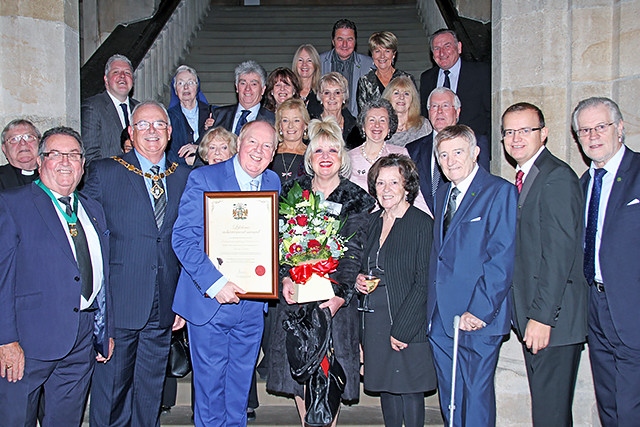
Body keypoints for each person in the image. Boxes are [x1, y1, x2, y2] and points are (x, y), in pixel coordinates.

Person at [84, 100, 190, 427]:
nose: (152, 131)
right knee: (113, 390)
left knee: (149, 389)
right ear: (130, 131)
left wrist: (182, 302)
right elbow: (90, 241)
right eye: (143, 125)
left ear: (170, 132)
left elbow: (191, 243)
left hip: (164, 302)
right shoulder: (105, 172)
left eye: (159, 124)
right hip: (121, 299)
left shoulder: (185, 176)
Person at [0, 126, 113, 426]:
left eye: (74, 155)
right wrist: (5, 340)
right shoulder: (13, 205)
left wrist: (105, 330)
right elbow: (2, 277)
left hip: (81, 337)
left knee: (65, 419)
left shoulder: (93, 209)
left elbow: (102, 274)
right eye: (56, 154)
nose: (66, 162)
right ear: (39, 161)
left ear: (83, 164)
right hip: (28, 340)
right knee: (15, 419)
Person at [267, 117, 376, 424]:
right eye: (318, 151)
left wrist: (340, 295)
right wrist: (284, 277)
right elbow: (278, 242)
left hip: (334, 305)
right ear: (310, 158)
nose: (326, 156)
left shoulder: (356, 199)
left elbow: (354, 252)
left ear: (342, 158)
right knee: (300, 374)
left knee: (329, 377)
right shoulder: (291, 192)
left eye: (333, 150)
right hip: (296, 301)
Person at [171, 120, 280, 426]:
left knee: (239, 389)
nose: (259, 152)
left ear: (273, 153)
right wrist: (215, 282)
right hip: (210, 301)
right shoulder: (205, 178)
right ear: (238, 144)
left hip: (253, 303)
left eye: (267, 146)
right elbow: (182, 238)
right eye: (253, 143)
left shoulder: (272, 181)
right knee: (209, 390)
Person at [502, 102, 588, 426]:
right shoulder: (527, 177)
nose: (516, 138)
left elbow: (559, 255)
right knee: (548, 413)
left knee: (550, 416)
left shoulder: (557, 178)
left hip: (552, 322)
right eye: (509, 131)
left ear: (544, 134)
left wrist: (541, 317)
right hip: (539, 319)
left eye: (525, 130)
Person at [428, 124, 516, 427]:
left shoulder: (499, 191)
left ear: (475, 152)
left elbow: (501, 257)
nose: (450, 161)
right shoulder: (442, 194)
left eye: (457, 152)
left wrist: (478, 311)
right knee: (451, 397)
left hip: (477, 317)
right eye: (443, 155)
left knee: (475, 398)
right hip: (441, 318)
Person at [572, 96, 640, 427]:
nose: (593, 135)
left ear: (620, 128)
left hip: (633, 310)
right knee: (609, 405)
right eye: (585, 130)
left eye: (601, 126)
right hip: (595, 310)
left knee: (630, 409)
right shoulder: (583, 185)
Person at [355, 154, 436, 427]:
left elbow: (423, 282)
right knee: (387, 390)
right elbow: (362, 264)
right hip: (375, 321)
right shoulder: (372, 222)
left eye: (394, 182)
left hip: (406, 322)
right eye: (380, 183)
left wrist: (402, 329)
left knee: (409, 391)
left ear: (407, 186)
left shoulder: (422, 224)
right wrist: (357, 279)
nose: (386, 189)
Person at [407, 87, 489, 213]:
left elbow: (482, 186)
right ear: (428, 112)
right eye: (434, 106)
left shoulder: (476, 142)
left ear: (457, 111)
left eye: (445, 106)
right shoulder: (413, 149)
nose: (439, 111)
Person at [348, 98, 429, 214]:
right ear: (362, 126)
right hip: (357, 224)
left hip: (392, 222)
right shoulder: (348, 158)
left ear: (390, 127)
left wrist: (429, 221)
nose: (377, 125)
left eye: (382, 120)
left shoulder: (401, 154)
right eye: (372, 120)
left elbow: (415, 193)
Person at [419, 29, 491, 146]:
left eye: (447, 46)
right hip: (438, 146)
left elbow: (491, 113)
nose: (442, 53)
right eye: (437, 49)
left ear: (459, 47)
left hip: (473, 146)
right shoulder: (427, 78)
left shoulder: (481, 72)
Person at [81, 54, 139, 163]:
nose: (122, 76)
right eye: (116, 72)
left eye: (127, 72)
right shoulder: (92, 107)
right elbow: (90, 156)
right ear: (106, 80)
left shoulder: (139, 109)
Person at [320, 19, 374, 116]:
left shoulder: (369, 64)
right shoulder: (319, 62)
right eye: (340, 39)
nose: (345, 45)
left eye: (349, 39)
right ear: (333, 41)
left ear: (355, 41)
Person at [356, 31, 415, 113]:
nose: (382, 56)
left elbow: (413, 109)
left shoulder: (407, 79)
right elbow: (363, 114)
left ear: (393, 54)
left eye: (387, 51)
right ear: (372, 55)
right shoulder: (365, 81)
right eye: (377, 51)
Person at [167, 65, 214, 167]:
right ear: (175, 90)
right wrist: (186, 161)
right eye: (180, 83)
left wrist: (199, 149)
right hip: (179, 173)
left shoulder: (213, 113)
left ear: (197, 87)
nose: (186, 87)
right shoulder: (167, 117)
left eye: (190, 82)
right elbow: (164, 153)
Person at [211, 60, 275, 134]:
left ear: (263, 90)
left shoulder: (273, 120)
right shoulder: (218, 115)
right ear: (237, 87)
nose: (247, 89)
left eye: (253, 84)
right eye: (243, 83)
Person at [313, 72, 361, 149]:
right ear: (320, 97)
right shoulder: (312, 126)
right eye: (327, 93)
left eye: (337, 92)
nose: (332, 97)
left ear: (344, 97)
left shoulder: (356, 127)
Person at [382, 76, 432, 148]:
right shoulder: (381, 126)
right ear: (388, 98)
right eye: (396, 93)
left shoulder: (423, 125)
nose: (401, 97)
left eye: (406, 93)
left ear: (413, 99)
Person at [270, 98, 309, 182]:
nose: (290, 126)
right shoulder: (270, 151)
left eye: (296, 120)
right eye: (285, 120)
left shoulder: (312, 154)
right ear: (280, 125)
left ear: (305, 125)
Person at [0, 119, 41, 189]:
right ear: (4, 149)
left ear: (40, 143)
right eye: (14, 139)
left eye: (28, 137)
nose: (23, 143)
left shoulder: (54, 175)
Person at [292, 44, 323, 116]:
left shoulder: (323, 92)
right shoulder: (288, 91)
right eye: (300, 60)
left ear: (315, 65)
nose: (304, 64)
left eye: (309, 60)